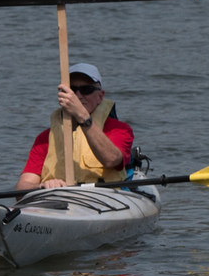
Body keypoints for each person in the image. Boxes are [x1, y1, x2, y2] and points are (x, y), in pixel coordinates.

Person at [16, 63, 135, 191]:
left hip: (105, 198)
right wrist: (42, 186)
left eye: (86, 90)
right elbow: (21, 188)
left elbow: (111, 160)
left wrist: (82, 117)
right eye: (71, 90)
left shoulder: (119, 129)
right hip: (57, 201)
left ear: (100, 96)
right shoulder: (45, 138)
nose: (77, 96)